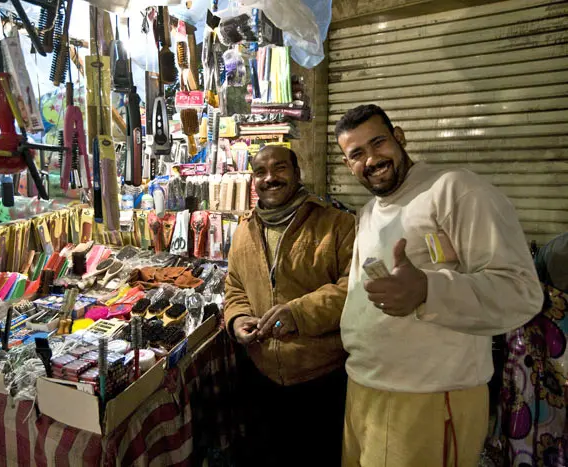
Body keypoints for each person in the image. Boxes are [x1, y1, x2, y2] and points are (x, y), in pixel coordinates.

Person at [334, 104, 544, 466]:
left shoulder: (454, 190)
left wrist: (428, 290)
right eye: (357, 154)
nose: (371, 159)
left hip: (429, 397)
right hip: (363, 389)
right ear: (347, 165)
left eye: (378, 143)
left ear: (399, 137)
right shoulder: (368, 212)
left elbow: (520, 291)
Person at [223, 145, 355, 466]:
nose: (270, 178)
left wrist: (298, 313)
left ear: (297, 174)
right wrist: (238, 317)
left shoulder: (338, 224)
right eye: (261, 172)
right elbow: (235, 286)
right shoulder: (243, 230)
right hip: (262, 373)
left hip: (321, 377)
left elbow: (355, 288)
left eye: (280, 169)